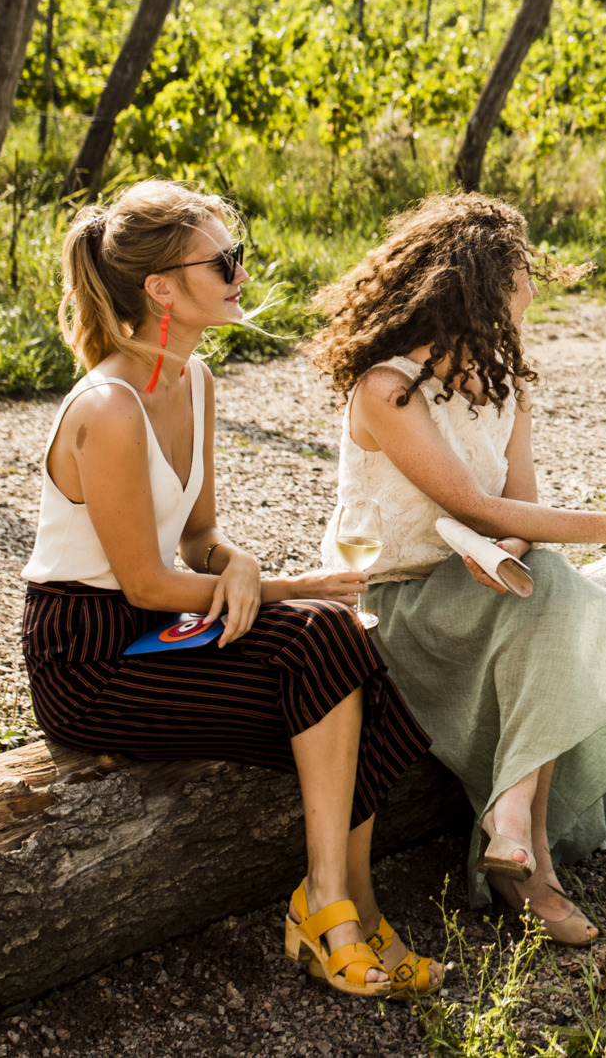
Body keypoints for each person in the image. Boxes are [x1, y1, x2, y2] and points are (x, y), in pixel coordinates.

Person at [23, 180, 437, 999]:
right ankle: (332, 910)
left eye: (236, 255)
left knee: (342, 641)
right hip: (88, 657)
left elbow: (199, 540)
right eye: (224, 261)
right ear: (161, 287)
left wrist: (241, 562)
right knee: (320, 632)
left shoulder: (195, 378)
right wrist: (282, 584)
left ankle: (347, 903)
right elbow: (143, 581)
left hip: (155, 621)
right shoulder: (108, 406)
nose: (240, 272)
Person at [307, 193, 606, 944]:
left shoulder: (507, 386)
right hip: (393, 602)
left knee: (537, 579)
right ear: (470, 290)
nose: (531, 296)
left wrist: (504, 557)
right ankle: (525, 849)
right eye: (519, 280)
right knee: (551, 589)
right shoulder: (387, 387)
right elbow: (477, 506)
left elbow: (518, 513)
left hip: (477, 587)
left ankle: (517, 836)